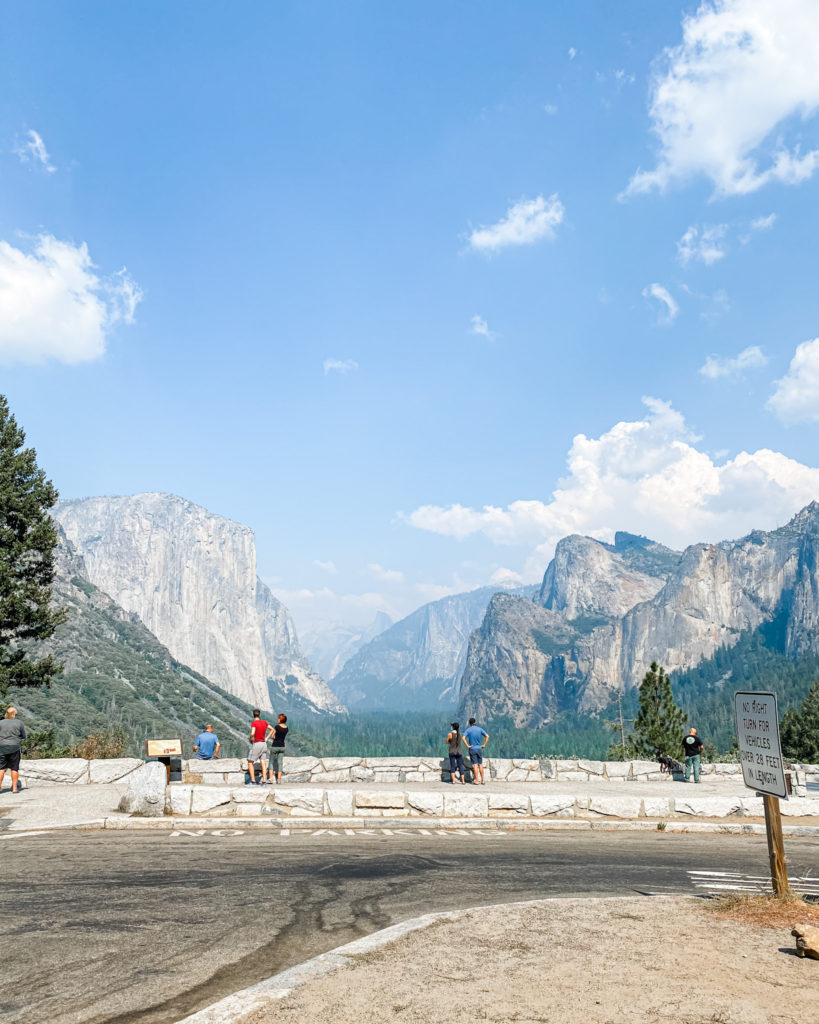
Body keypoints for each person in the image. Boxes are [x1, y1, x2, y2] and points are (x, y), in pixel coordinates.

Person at [0, 707, 26, 794]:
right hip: (15, 747)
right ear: (14, 714)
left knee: (1, 768)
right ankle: (14, 788)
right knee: (14, 768)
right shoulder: (19, 723)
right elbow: (23, 736)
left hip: (2, 747)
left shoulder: (1, 723)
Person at [247, 709, 273, 785]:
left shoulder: (254, 723)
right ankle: (264, 781)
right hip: (264, 744)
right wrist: (267, 738)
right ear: (259, 715)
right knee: (263, 763)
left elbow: (252, 733)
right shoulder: (264, 722)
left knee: (250, 762)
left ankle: (253, 781)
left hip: (257, 743)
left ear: (253, 715)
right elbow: (272, 729)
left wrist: (250, 738)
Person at [462, 717, 489, 785]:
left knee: (475, 765)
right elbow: (487, 736)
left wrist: (467, 746)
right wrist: (484, 744)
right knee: (480, 764)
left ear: (469, 723)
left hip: (472, 748)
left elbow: (463, 738)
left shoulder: (468, 730)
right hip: (479, 748)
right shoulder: (480, 729)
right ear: (475, 722)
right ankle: (483, 780)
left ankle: (476, 780)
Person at [268, 713, 288, 784]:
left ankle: (270, 779)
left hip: (275, 746)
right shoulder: (286, 728)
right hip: (282, 746)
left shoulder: (277, 727)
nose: (277, 719)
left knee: (271, 762)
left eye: (278, 718)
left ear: (280, 719)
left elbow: (272, 736)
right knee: (280, 763)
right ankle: (279, 779)